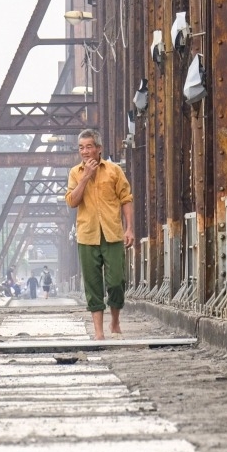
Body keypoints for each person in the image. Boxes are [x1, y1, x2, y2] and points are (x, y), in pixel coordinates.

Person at [65, 128, 134, 339]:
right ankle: (98, 332)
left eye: (88, 147)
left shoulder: (114, 171)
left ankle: (114, 322)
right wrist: (85, 177)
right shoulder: (75, 173)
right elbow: (72, 202)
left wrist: (129, 228)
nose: (84, 152)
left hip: (112, 234)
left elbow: (126, 198)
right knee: (93, 284)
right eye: (81, 148)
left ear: (99, 148)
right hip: (87, 236)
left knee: (116, 282)